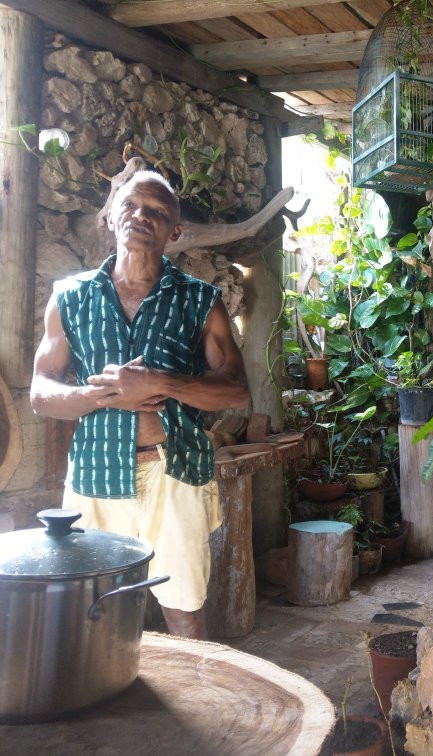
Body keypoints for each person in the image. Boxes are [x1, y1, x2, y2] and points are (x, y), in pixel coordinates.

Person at [30, 170, 249, 640]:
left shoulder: (199, 301)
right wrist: (105, 395)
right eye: (129, 205)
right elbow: (41, 392)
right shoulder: (70, 298)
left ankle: (190, 687)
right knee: (94, 610)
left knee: (184, 608)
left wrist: (159, 382)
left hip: (175, 471)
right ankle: (105, 684)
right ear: (111, 216)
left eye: (156, 211)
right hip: (95, 473)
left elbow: (236, 390)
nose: (140, 216)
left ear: (175, 231)